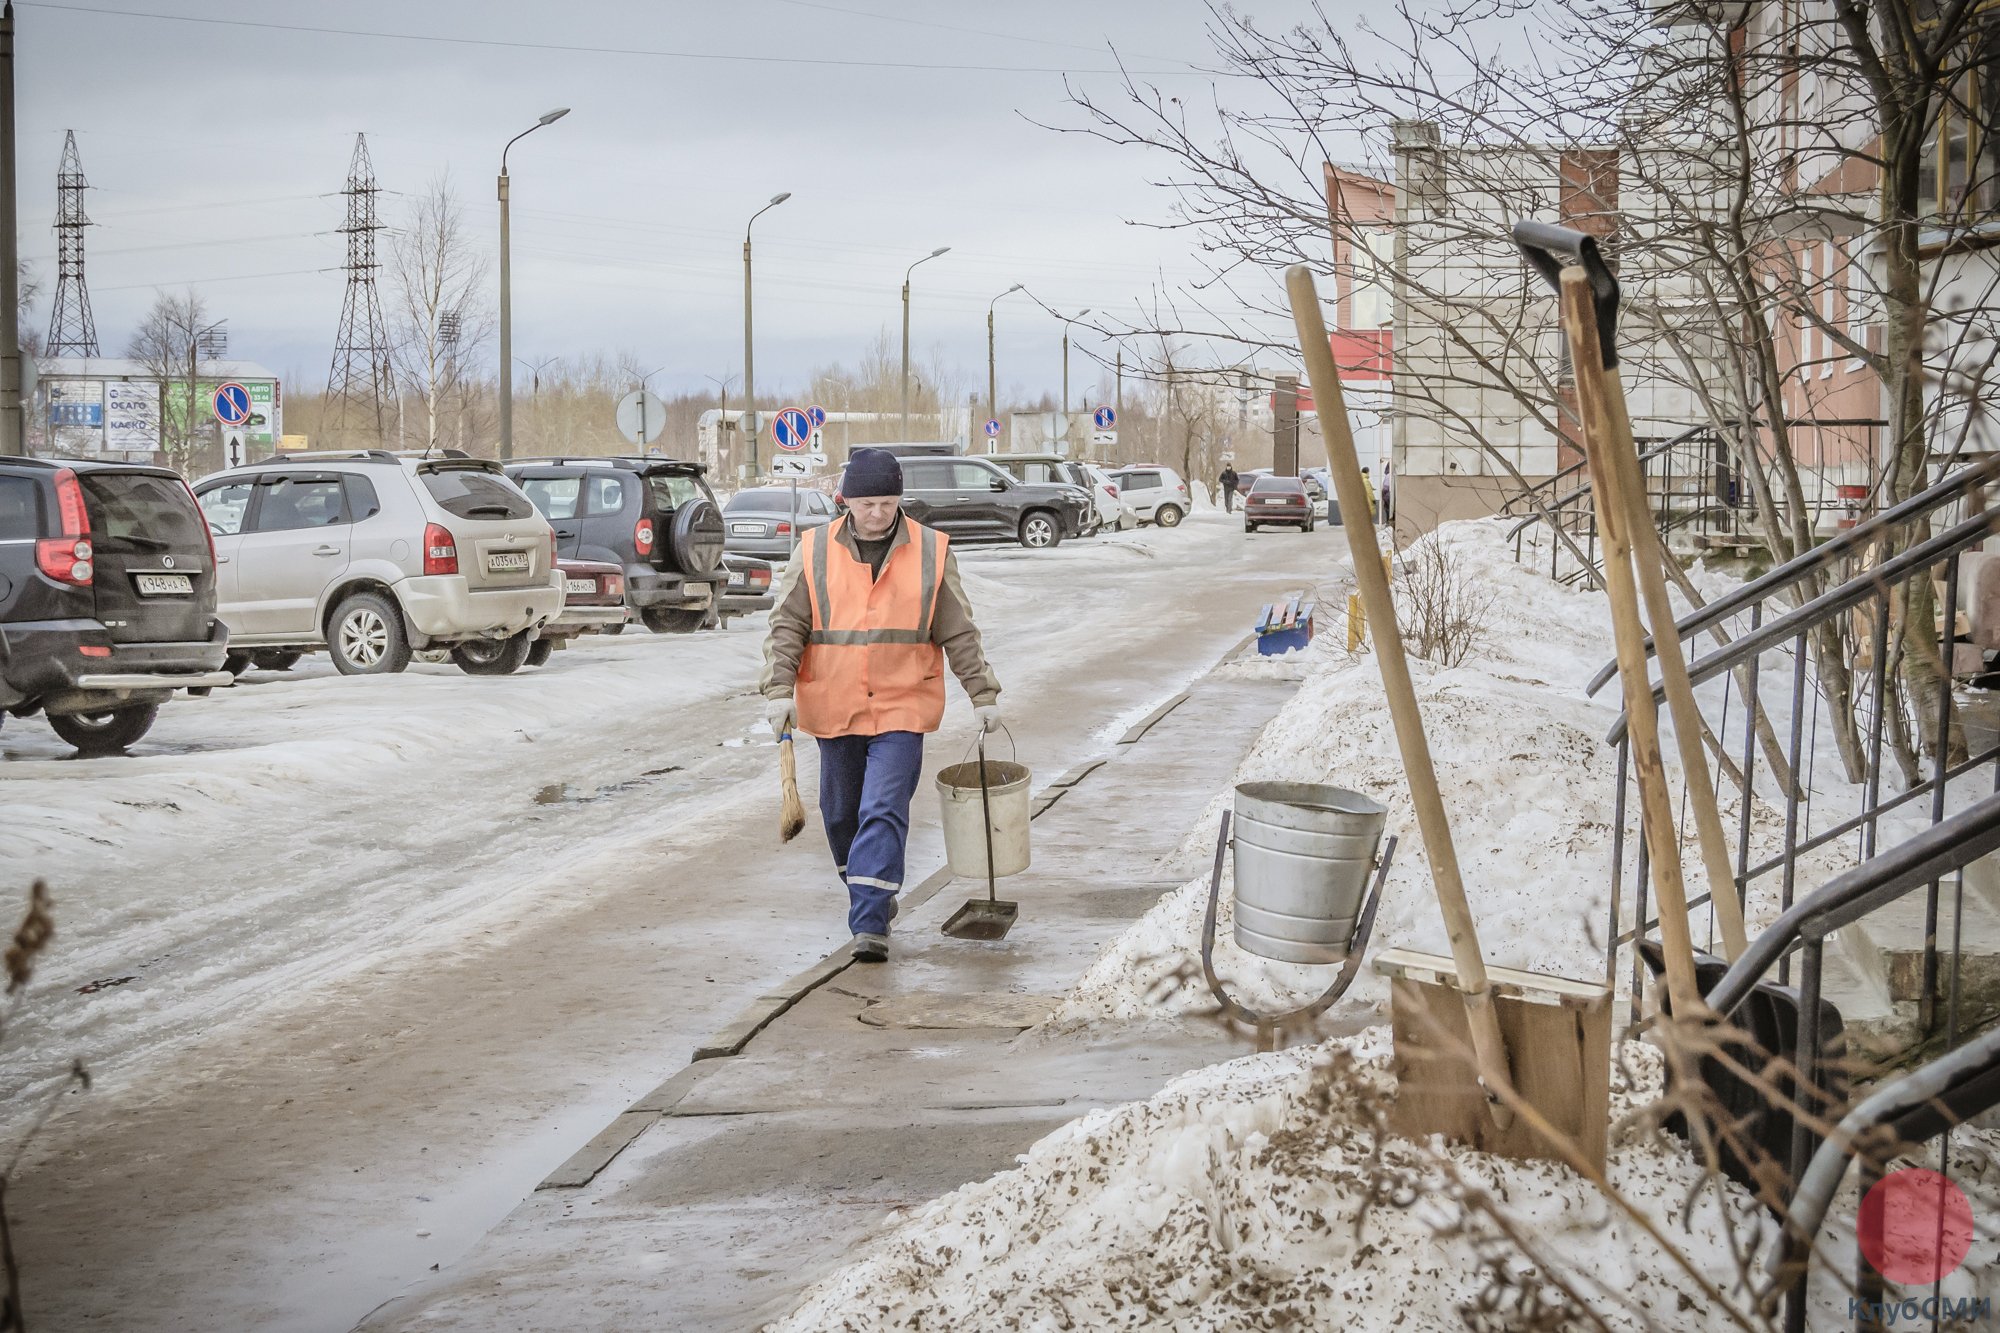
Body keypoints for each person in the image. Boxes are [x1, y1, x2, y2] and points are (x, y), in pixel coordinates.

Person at [760, 447, 1002, 963]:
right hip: (834, 702)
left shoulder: (932, 550)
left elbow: (957, 628)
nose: (877, 514)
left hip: (902, 703)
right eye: (867, 503)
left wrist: (982, 693)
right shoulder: (814, 549)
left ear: (898, 500)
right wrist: (778, 689)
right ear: (847, 500)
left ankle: (869, 920)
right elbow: (787, 626)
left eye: (887, 503)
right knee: (841, 815)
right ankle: (869, 888)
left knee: (883, 809)